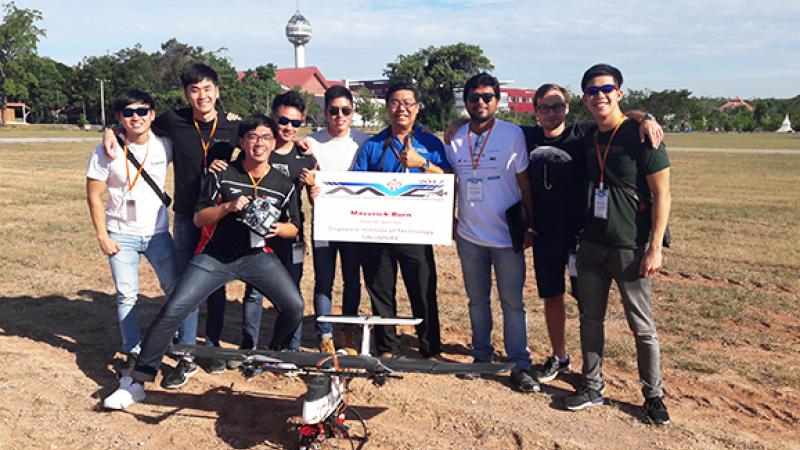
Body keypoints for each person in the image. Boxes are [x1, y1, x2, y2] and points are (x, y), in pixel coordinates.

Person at [103, 114, 304, 410]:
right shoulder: (222, 174)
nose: (259, 143)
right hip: (216, 256)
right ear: (241, 141)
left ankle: (272, 355)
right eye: (252, 137)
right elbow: (199, 218)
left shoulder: (283, 184)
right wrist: (228, 207)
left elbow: (294, 227)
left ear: (274, 143)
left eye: (266, 138)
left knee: (295, 306)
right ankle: (137, 382)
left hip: (257, 257)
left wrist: (277, 229)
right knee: (174, 308)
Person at [103, 63, 239, 387]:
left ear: (217, 91)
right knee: (185, 284)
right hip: (187, 217)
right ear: (187, 94)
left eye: (207, 89)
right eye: (194, 90)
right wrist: (109, 129)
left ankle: (212, 348)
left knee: (216, 283)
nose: (202, 96)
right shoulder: (174, 120)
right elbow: (134, 121)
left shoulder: (234, 125)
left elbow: (264, 140)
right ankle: (185, 354)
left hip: (219, 216)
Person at [523, 84, 664, 384]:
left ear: (568, 108)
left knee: (587, 307)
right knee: (552, 296)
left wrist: (646, 118)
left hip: (582, 237)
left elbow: (620, 115)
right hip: (546, 236)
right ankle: (560, 356)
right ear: (535, 111)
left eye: (557, 106)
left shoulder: (583, 133)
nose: (551, 113)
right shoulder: (527, 136)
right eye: (545, 108)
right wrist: (456, 125)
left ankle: (595, 371)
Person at [562, 64, 671, 426]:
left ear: (619, 93)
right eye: (592, 91)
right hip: (592, 245)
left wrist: (654, 248)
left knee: (642, 326)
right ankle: (592, 386)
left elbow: (662, 195)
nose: (600, 96)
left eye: (606, 89)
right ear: (584, 99)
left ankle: (653, 396)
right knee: (590, 320)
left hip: (631, 248)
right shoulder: (589, 135)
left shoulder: (643, 136)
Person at [445, 73, 538, 392]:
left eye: (487, 97)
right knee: (477, 301)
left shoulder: (512, 134)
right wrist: (450, 219)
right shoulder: (454, 137)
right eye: (474, 97)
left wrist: (530, 225)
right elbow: (451, 182)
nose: (480, 102)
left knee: (512, 303)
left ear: (498, 101)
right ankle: (481, 356)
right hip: (470, 236)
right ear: (466, 102)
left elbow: (525, 184)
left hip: (507, 237)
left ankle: (519, 363)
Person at [352, 82, 450, 359]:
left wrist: (422, 164)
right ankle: (387, 347)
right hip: (378, 229)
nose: (401, 109)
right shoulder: (372, 146)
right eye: (395, 103)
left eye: (408, 103)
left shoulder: (430, 144)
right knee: (381, 290)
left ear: (417, 108)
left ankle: (430, 347)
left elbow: (449, 179)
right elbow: (355, 186)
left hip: (415, 229)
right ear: (387, 108)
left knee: (423, 289)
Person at [87, 89, 177, 374]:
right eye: (128, 112)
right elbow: (94, 196)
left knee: (174, 289)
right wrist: (102, 236)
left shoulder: (165, 145)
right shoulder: (106, 151)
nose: (136, 117)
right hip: (120, 234)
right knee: (126, 295)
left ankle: (171, 339)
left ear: (152, 114)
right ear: (119, 117)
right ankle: (133, 350)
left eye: (142, 111)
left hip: (158, 233)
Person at [238, 91, 317, 352]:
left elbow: (315, 200)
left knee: (292, 293)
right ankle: (249, 350)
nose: (288, 127)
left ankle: (290, 350)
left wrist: (314, 185)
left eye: (295, 123)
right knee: (254, 293)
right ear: (273, 118)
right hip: (257, 234)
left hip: (292, 235)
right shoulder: (258, 149)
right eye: (283, 121)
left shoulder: (306, 157)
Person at [304, 85, 370, 352]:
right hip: (323, 222)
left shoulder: (363, 141)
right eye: (333, 111)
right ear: (325, 112)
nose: (339, 116)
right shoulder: (311, 143)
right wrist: (310, 190)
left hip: (353, 222)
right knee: (324, 280)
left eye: (345, 110)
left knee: (352, 279)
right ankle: (325, 335)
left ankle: (349, 331)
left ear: (353, 112)